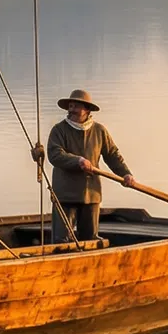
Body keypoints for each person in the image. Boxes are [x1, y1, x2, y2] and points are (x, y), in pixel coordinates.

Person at [31, 88, 135, 244]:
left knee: (90, 240)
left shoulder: (99, 131)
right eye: (70, 106)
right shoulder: (59, 130)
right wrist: (78, 161)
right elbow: (55, 155)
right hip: (66, 194)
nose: (71, 110)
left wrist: (125, 174)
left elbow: (112, 155)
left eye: (76, 106)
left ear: (86, 110)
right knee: (62, 240)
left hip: (91, 194)